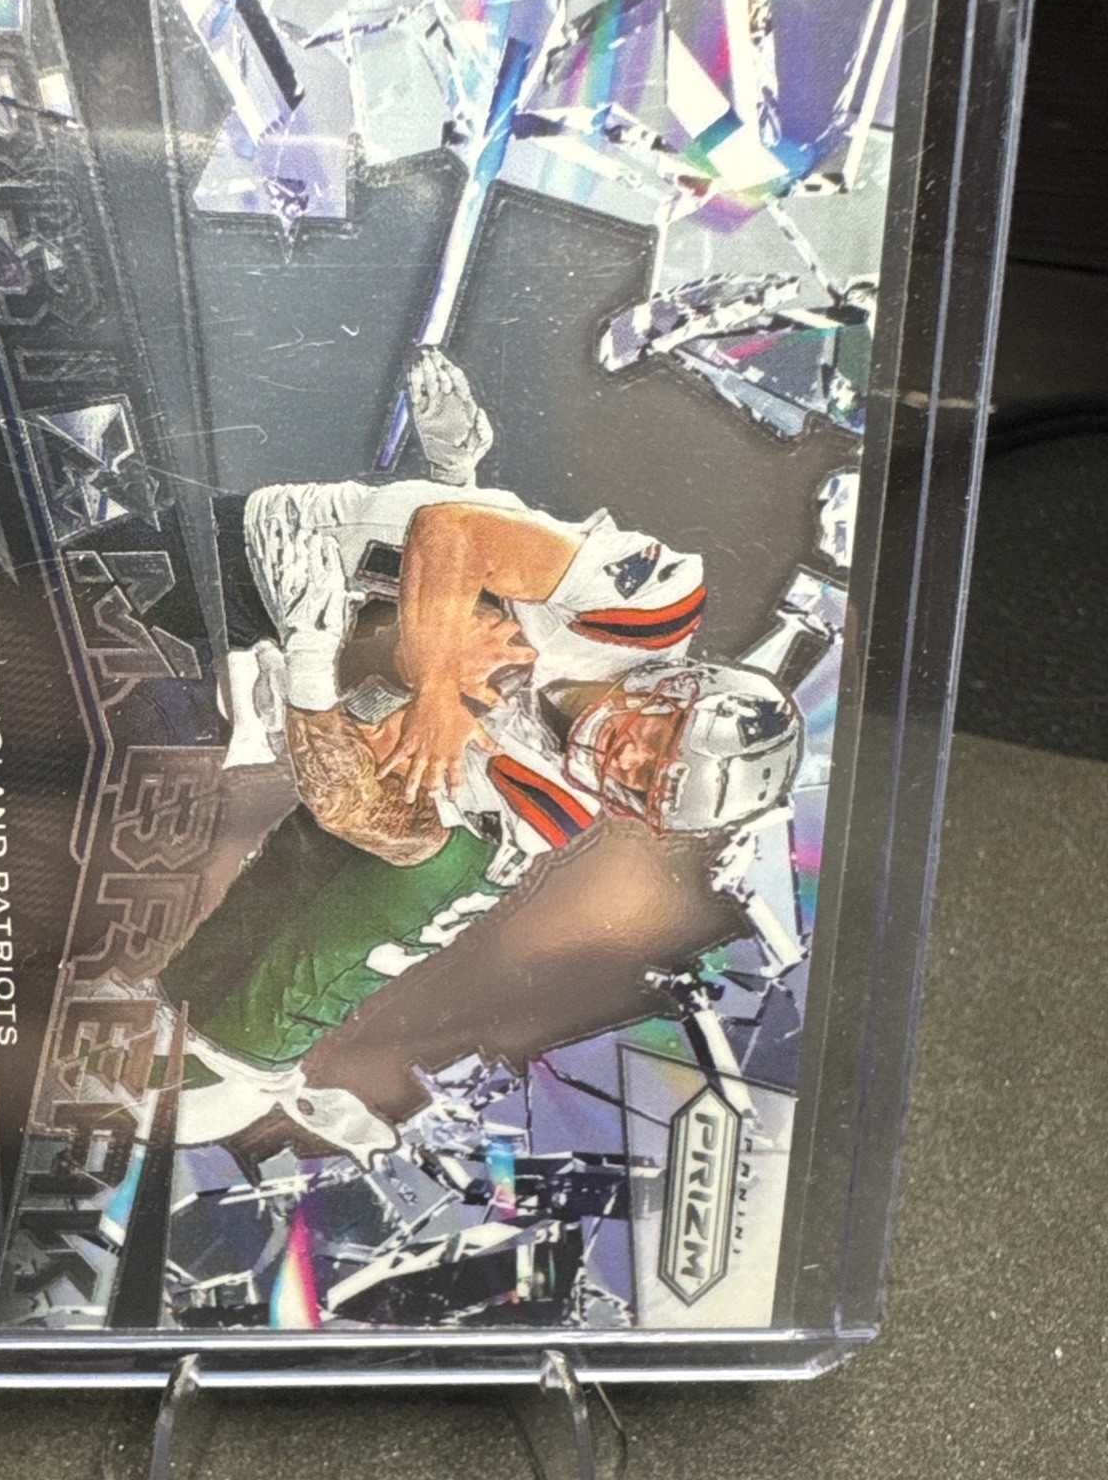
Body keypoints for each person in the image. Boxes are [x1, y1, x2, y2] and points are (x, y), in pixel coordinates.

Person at [155, 354, 802, 1160]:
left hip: (268, 654)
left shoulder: (543, 808)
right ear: (680, 685)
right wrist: (438, 685)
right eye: (660, 743)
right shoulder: (649, 606)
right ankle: (231, 1054)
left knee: (428, 858)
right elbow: (450, 532)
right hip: (280, 546)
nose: (629, 760)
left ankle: (227, 1054)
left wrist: (364, 669)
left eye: (647, 786)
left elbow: (356, 792)